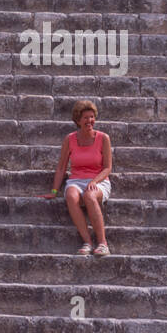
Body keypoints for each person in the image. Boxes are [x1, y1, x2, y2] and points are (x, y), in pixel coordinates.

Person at [51, 100, 114, 256]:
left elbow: (107, 168)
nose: (89, 121)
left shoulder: (103, 138)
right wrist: (54, 191)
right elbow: (61, 168)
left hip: (98, 180)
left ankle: (102, 243)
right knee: (71, 196)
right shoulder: (70, 139)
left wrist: (94, 181)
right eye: (85, 118)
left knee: (89, 195)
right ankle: (87, 242)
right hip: (76, 180)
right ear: (78, 120)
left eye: (92, 117)